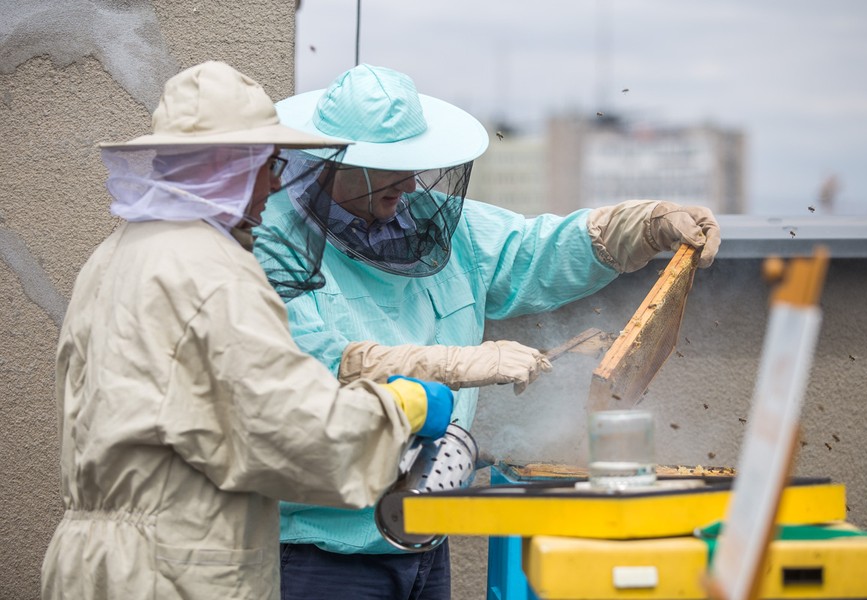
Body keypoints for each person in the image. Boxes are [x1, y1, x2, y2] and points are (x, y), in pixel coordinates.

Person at [256, 64, 721, 600]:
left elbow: (532, 251)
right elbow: (311, 365)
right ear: (341, 163)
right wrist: (456, 364)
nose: (409, 184)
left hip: (425, 533)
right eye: (390, 169)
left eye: (414, 164)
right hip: (323, 550)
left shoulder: (435, 224)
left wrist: (642, 224)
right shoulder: (276, 247)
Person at [40, 61, 454, 600]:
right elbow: (292, 433)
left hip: (93, 563)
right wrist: (401, 408)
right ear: (225, 165)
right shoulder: (211, 269)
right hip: (173, 569)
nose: (278, 182)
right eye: (269, 163)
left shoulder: (116, 253)